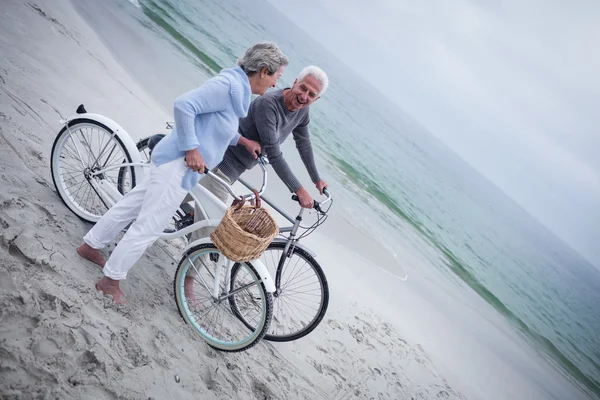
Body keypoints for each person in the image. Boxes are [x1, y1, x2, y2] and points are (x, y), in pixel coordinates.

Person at [76, 42, 289, 304]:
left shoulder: (237, 89)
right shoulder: (227, 87)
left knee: (131, 207)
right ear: (264, 71)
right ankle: (110, 281)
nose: (276, 85)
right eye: (277, 78)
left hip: (179, 165)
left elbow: (213, 124)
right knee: (149, 226)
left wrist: (241, 141)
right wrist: (191, 150)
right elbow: (184, 105)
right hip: (177, 163)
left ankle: (91, 245)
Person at [183, 66, 329, 296]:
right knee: (211, 223)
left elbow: (304, 143)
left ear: (316, 99)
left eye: (311, 95)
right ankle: (187, 281)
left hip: (233, 169)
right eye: (303, 88)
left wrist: (316, 179)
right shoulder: (268, 104)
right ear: (294, 82)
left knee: (184, 195)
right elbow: (274, 152)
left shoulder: (302, 111)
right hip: (220, 159)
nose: (304, 96)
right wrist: (298, 189)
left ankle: (186, 214)